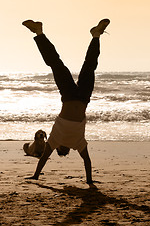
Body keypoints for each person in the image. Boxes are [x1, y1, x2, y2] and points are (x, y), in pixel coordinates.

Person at [22, 18, 110, 184]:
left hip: (70, 96)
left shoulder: (56, 140)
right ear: (64, 149)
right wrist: (89, 181)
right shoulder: (78, 143)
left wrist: (36, 175)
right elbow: (87, 161)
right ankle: (96, 35)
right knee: (89, 66)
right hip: (82, 97)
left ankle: (39, 33)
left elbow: (43, 159)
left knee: (56, 64)